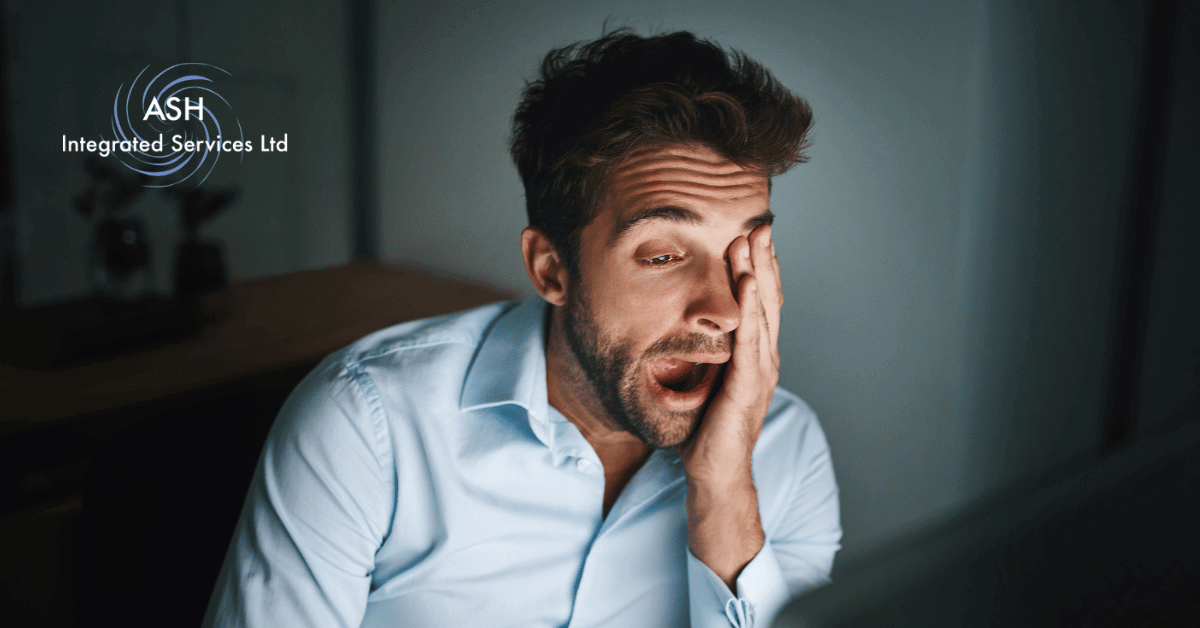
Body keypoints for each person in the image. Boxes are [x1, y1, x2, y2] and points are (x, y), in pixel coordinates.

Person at [203, 29, 840, 628]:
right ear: (551, 269)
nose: (726, 310)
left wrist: (724, 491)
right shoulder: (368, 425)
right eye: (663, 256)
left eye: (743, 255)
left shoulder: (788, 449)